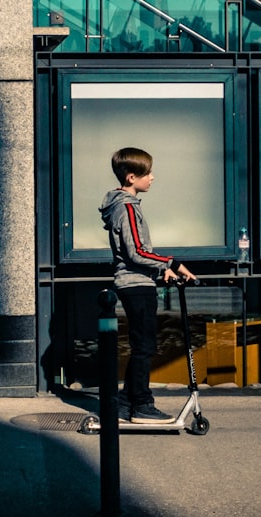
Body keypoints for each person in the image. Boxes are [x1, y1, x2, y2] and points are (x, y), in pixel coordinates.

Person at [99, 147, 196, 423]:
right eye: (147, 173)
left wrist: (161, 271)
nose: (152, 177)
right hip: (135, 285)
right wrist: (171, 263)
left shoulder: (124, 206)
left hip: (138, 282)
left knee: (143, 345)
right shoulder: (127, 207)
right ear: (131, 177)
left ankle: (126, 404)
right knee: (144, 346)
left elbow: (137, 253)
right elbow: (137, 252)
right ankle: (141, 405)